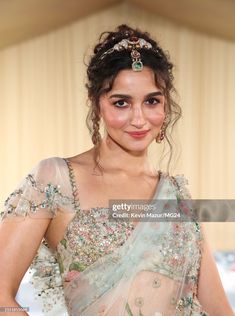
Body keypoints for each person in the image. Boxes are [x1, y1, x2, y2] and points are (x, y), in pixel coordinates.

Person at [0, 24, 233, 316]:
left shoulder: (174, 195)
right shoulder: (56, 178)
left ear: (166, 106)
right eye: (121, 103)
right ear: (96, 104)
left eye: (152, 101)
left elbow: (219, 309)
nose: (139, 119)